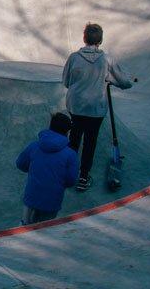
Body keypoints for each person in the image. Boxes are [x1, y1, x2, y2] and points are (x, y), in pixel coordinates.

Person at [63, 23, 136, 191]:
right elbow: (122, 82)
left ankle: (68, 174)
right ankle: (83, 177)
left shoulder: (74, 57)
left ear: (84, 38)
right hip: (95, 109)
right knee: (90, 142)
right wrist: (128, 82)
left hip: (76, 106)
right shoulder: (106, 60)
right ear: (100, 40)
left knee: (74, 139)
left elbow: (66, 81)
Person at [15, 112, 80, 225]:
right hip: (52, 201)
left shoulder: (34, 146)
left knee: (25, 225)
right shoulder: (70, 154)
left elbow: (21, 164)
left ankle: (24, 224)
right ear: (67, 132)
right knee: (44, 228)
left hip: (31, 197)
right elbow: (71, 181)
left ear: (50, 126)